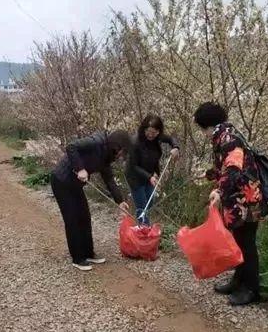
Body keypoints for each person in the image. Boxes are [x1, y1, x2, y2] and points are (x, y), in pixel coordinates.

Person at [193, 102, 265, 305]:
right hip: (238, 198)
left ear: (208, 126)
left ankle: (252, 290)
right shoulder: (224, 136)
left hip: (246, 199)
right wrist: (209, 175)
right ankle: (238, 280)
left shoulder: (229, 138)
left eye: (202, 129)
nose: (204, 134)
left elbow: (233, 169)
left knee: (247, 243)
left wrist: (218, 191)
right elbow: (225, 166)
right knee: (239, 240)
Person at [51, 130, 131, 271]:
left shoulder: (106, 157)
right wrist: (80, 168)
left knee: (85, 217)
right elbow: (71, 147)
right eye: (122, 152)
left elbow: (110, 180)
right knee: (72, 220)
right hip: (61, 181)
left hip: (75, 185)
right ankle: (78, 258)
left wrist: (120, 201)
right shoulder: (96, 142)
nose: (121, 156)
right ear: (117, 146)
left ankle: (88, 254)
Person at [125, 114, 180, 225]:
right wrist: (149, 177)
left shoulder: (158, 137)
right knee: (143, 208)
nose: (150, 135)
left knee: (149, 204)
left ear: (158, 131)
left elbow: (171, 138)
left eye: (154, 132)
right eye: (148, 131)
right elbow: (133, 166)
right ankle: (144, 233)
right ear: (144, 129)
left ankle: (140, 224)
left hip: (149, 175)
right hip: (135, 177)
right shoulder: (135, 142)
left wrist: (175, 147)